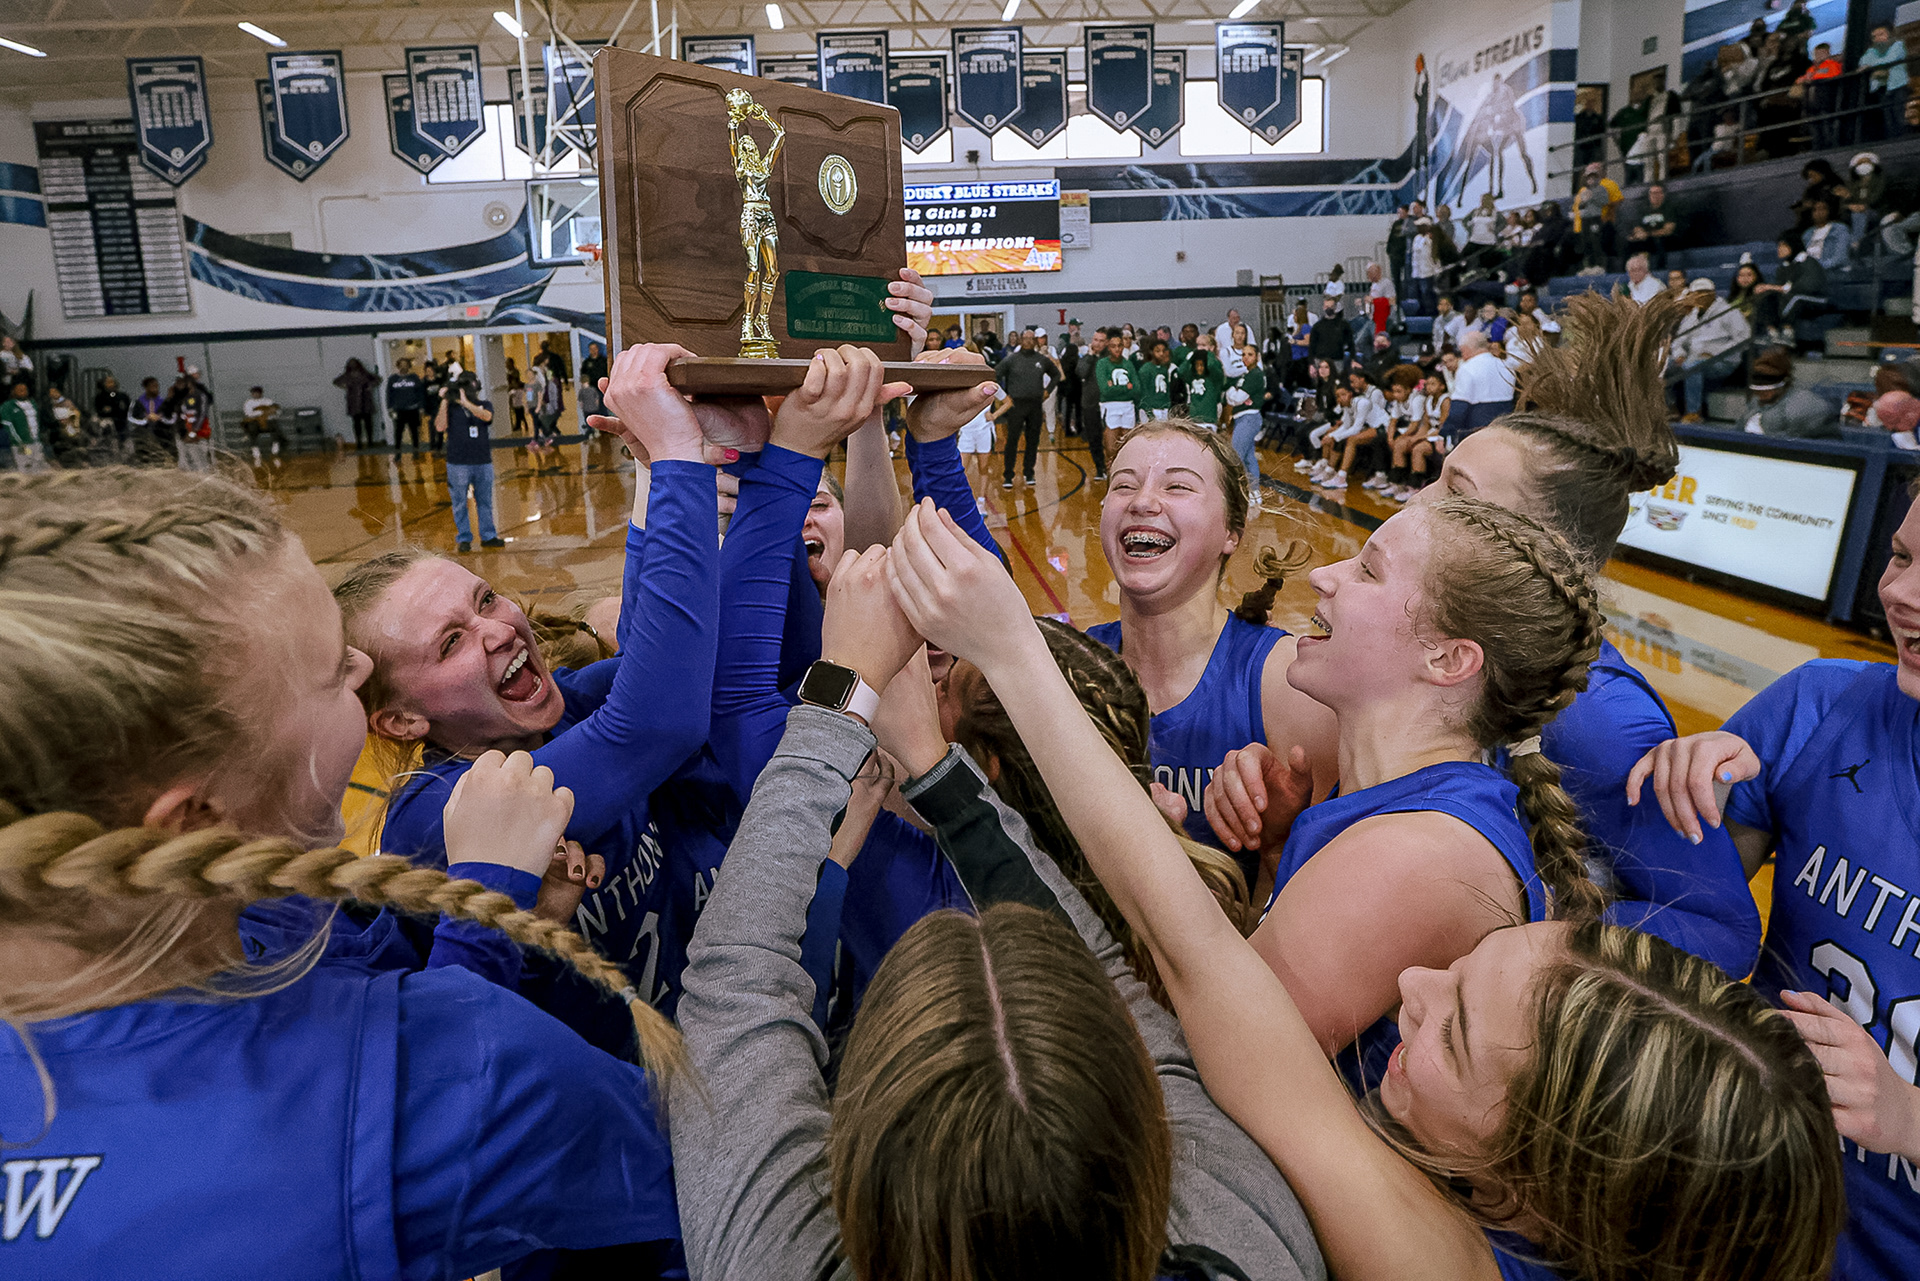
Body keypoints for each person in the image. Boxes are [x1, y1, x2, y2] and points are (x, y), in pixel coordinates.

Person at [888, 497, 1845, 1281]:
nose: (1420, 981)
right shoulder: (1389, 801)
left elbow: (1207, 1001)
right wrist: (1261, 863)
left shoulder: (1421, 854)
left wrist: (1010, 660)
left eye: (1373, 566)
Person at [0, 467, 692, 1278]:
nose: (364, 676)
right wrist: (487, 903)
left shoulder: (264, 920)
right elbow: (737, 1185)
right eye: (335, 673)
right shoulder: (448, 1075)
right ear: (195, 823)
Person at [668, 554, 1325, 1281]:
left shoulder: (781, 1259)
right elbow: (1118, 986)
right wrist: (919, 749)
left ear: (850, 1166)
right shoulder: (1242, 1239)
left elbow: (735, 983)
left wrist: (855, 701)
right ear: (1145, 1139)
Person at [1626, 490, 1920, 1280]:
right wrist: (1688, 794)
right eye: (1900, 556)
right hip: (1731, 1198)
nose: (1901, 594)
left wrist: (1909, 1117)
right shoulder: (1820, 703)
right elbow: (1692, 912)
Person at [1085, 419, 1335, 878]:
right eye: (1123, 485)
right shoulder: (1068, 669)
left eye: (1178, 486)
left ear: (1231, 533)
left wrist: (1275, 848)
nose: (1142, 501)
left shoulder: (1288, 685)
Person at [435, 364, 506, 551]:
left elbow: (486, 417)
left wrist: (466, 403)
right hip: (457, 462)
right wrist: (445, 400)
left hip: (482, 462)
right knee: (459, 503)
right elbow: (440, 427)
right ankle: (464, 538)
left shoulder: (484, 405)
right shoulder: (450, 409)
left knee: (485, 501)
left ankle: (488, 536)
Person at [1670, 279, 1753, 422]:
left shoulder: (1728, 311)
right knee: (1661, 364)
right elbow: (1678, 340)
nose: (1699, 297)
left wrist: (1716, 353)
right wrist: (1679, 354)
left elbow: (1744, 339)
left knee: (1693, 366)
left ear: (1712, 294)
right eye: (1696, 294)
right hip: (1694, 358)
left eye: (1703, 293)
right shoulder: (1692, 315)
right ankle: (1669, 408)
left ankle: (1694, 412)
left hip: (1723, 362)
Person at [995, 329, 1058, 491]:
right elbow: (995, 375)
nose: (1029, 341)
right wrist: (1004, 397)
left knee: (1033, 440)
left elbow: (1056, 375)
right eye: (1026, 338)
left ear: (1035, 341)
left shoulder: (1042, 360)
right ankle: (1008, 475)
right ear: (1022, 340)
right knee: (1012, 440)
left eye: (1032, 338)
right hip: (1016, 406)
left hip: (1035, 405)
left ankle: (1029, 472)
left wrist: (1048, 390)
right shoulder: (1012, 360)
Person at [1739, 346, 1837, 438]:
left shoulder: (1802, 403)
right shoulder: (1756, 401)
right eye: (1758, 390)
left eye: (1767, 389)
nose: (1760, 394)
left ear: (1784, 383)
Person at [1750, 230, 1828, 343]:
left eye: (1783, 245)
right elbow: (1778, 287)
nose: (1779, 249)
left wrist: (1778, 288)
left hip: (1816, 299)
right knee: (1767, 295)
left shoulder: (1809, 262)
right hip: (1791, 298)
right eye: (1778, 246)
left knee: (1795, 297)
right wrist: (1766, 288)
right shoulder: (1782, 268)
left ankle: (1788, 333)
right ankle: (1773, 333)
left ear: (1793, 245)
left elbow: (1810, 286)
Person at [1442, 330, 1515, 442]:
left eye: (1462, 352)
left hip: (1476, 430)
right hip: (1504, 427)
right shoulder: (1506, 366)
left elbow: (1459, 408)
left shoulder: (1467, 368)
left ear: (1466, 349)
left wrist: (1446, 432)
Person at [1225, 343, 1267, 507]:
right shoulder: (1246, 374)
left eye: (1250, 354)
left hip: (1249, 418)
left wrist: (1231, 392)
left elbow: (1236, 398)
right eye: (1243, 354)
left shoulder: (1255, 375)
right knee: (1249, 457)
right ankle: (1254, 492)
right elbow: (1235, 397)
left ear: (1257, 357)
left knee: (1236, 455)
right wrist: (1233, 394)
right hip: (1242, 417)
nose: (1245, 357)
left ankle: (1237, 493)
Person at [1095, 329, 1139, 466]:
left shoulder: (1128, 364)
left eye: (1120, 345)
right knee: (1111, 451)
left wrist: (1114, 386)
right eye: (1113, 346)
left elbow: (1137, 389)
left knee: (1128, 448)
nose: (1117, 349)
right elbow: (1105, 391)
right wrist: (1126, 387)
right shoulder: (1102, 364)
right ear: (1108, 347)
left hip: (1128, 406)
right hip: (1110, 407)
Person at [1859, 23, 1909, 141]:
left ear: (1889, 35)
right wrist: (1875, 67)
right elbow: (1863, 61)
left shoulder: (1898, 45)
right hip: (1882, 88)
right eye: (1874, 36)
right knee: (1888, 118)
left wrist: (1871, 67)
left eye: (1881, 34)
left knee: (1899, 116)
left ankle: (1903, 142)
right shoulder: (1872, 51)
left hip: (1898, 86)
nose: (1878, 38)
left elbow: (1891, 58)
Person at [165, 372, 213, 474]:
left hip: (197, 433)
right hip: (182, 433)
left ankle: (205, 477)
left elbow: (202, 414)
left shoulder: (199, 395)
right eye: (178, 383)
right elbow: (169, 413)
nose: (180, 385)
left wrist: (194, 431)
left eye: (183, 383)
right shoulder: (177, 397)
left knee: (200, 457)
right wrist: (169, 399)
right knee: (183, 459)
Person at [1626, 184, 1679, 269]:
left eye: (1658, 193)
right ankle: (1627, 271)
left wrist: (1648, 234)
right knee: (1630, 241)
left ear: (1663, 195)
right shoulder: (1643, 209)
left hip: (1664, 239)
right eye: (1652, 193)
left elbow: (1668, 230)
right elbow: (1637, 227)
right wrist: (1639, 234)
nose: (1655, 196)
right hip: (1647, 238)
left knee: (1658, 241)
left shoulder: (1669, 209)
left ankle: (1660, 270)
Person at [334, 357, 380, 450]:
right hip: (353, 402)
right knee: (356, 424)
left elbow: (377, 379)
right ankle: (358, 442)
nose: (353, 366)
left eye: (354, 364)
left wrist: (370, 386)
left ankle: (370, 441)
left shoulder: (365, 374)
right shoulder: (347, 375)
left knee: (368, 423)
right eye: (351, 364)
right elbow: (336, 381)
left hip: (365, 401)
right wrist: (344, 386)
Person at [2, 379, 45, 471]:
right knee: (25, 467)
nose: (23, 392)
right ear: (13, 391)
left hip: (36, 441)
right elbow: (8, 425)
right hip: (21, 443)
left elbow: (37, 421)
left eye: (25, 390)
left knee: (38, 467)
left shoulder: (33, 403)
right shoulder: (7, 406)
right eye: (20, 390)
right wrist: (18, 441)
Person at [386, 357, 426, 452]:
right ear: (398, 366)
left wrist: (421, 407)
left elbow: (420, 392)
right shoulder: (393, 379)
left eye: (406, 365)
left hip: (413, 408)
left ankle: (416, 448)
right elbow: (389, 394)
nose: (403, 367)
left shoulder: (414, 377)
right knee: (398, 431)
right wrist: (390, 407)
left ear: (409, 366)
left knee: (414, 430)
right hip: (399, 409)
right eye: (401, 365)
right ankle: (397, 449)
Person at [240, 385, 288, 465]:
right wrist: (263, 413)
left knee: (276, 428)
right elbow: (248, 414)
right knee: (251, 429)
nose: (255, 394)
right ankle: (256, 453)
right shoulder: (249, 403)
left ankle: (275, 451)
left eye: (257, 393)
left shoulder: (268, 401)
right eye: (254, 393)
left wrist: (272, 413)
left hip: (268, 421)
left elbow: (277, 411)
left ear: (261, 393)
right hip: (255, 422)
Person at [1135, 337, 1175, 425]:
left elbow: (1166, 390)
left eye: (1163, 351)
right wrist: (1148, 412)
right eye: (1157, 351)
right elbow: (1143, 392)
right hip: (1151, 409)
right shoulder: (1145, 370)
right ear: (1151, 352)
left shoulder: (1164, 369)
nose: (1161, 354)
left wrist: (1167, 405)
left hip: (1163, 408)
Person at [1803, 198, 1852, 269]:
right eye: (1815, 210)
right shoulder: (1807, 233)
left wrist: (1817, 267)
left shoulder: (1839, 229)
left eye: (1822, 209)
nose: (1818, 212)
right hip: (1810, 271)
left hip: (1833, 272)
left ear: (1829, 211)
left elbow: (1840, 258)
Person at [578, 342, 608, 418]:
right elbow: (583, 375)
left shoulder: (604, 361)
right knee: (591, 411)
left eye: (595, 349)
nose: (593, 351)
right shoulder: (586, 363)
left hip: (602, 389)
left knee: (603, 410)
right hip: (591, 390)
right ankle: (591, 428)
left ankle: (604, 428)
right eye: (591, 349)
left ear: (598, 349)